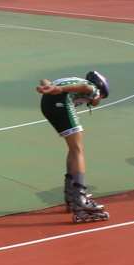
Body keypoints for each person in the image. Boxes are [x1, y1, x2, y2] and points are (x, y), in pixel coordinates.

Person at [36, 72, 111, 223]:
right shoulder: (92, 88)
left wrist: (47, 86)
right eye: (102, 98)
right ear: (100, 90)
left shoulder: (69, 79)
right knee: (78, 150)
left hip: (47, 104)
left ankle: (71, 195)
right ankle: (80, 199)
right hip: (60, 101)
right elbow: (85, 87)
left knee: (73, 149)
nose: (97, 102)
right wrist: (59, 91)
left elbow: (45, 79)